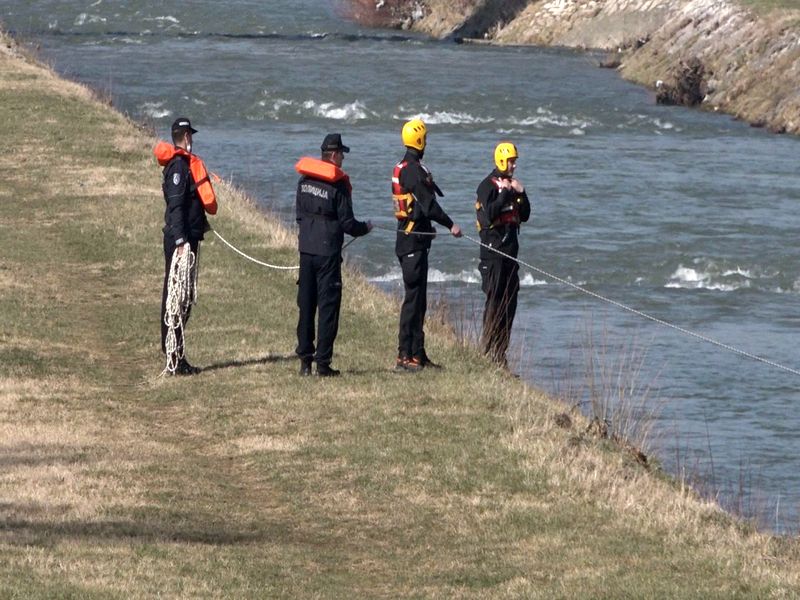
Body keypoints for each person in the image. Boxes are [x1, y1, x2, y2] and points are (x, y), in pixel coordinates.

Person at [295, 133, 372, 377]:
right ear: (335, 155)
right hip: (328, 254)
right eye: (342, 155)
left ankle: (305, 363)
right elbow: (348, 223)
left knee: (306, 306)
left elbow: (299, 216)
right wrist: (365, 228)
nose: (343, 160)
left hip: (306, 250)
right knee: (328, 307)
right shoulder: (338, 185)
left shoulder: (304, 181)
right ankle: (323, 364)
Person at [392, 119, 462, 372]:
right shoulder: (412, 170)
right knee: (412, 301)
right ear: (418, 140)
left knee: (419, 300)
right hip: (411, 242)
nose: (427, 143)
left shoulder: (412, 167)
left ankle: (418, 354)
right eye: (426, 138)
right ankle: (405, 356)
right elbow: (430, 206)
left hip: (416, 240)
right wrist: (451, 225)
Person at [157, 117, 217, 375]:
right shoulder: (179, 168)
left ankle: (177, 355)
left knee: (183, 300)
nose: (191, 139)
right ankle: (173, 357)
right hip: (180, 241)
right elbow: (176, 207)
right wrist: (181, 241)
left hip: (189, 238)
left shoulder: (184, 165)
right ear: (186, 137)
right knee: (175, 298)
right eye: (189, 135)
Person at [475, 141, 531, 369]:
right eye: (511, 161)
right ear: (501, 160)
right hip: (493, 253)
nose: (514, 166)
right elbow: (488, 216)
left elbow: (525, 215)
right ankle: (486, 352)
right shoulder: (486, 186)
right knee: (495, 301)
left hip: (511, 255)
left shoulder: (513, 185)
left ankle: (501, 355)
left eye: (515, 162)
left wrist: (521, 193)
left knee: (509, 304)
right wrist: (504, 194)